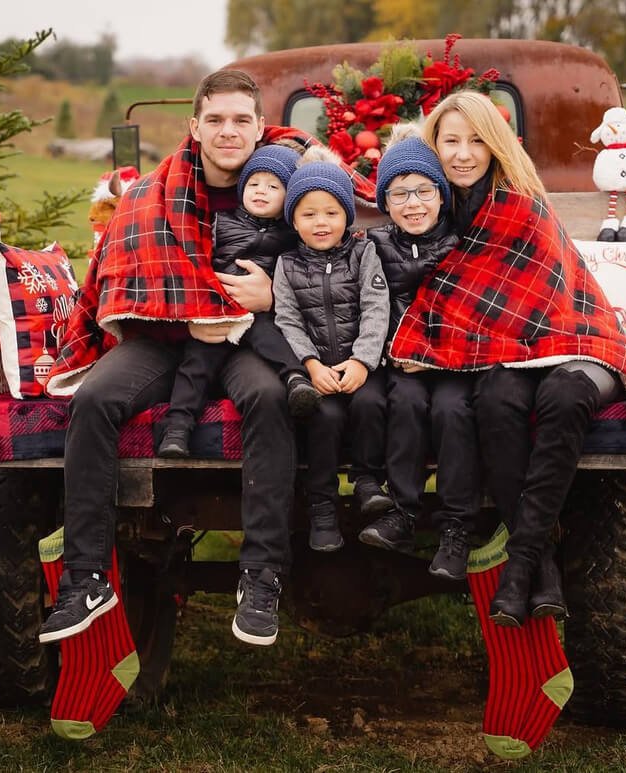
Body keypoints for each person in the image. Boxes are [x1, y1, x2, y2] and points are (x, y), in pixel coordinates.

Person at [40, 70, 379, 648]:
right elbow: (126, 275)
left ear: (259, 125)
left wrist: (276, 294)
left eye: (241, 120)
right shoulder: (153, 192)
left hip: (252, 336)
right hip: (165, 339)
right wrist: (183, 308)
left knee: (271, 399)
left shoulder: (294, 178)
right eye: (215, 120)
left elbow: (345, 246)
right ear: (194, 126)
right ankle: (86, 578)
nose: (228, 131)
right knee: (96, 399)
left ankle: (262, 574)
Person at [390, 90, 626, 627]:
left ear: (497, 145)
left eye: (477, 140)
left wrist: (450, 348)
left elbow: (551, 294)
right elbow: (457, 302)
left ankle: (523, 562)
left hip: (578, 338)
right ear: (432, 143)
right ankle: (545, 568)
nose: (462, 153)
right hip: (507, 358)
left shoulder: (519, 202)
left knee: (564, 394)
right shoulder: (432, 206)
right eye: (450, 140)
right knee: (496, 400)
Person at [356, 125, 479, 581]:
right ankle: (403, 515)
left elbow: (468, 311)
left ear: (442, 195)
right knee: (404, 402)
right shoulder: (374, 245)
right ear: (384, 204)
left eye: (424, 190)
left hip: (451, 361)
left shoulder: (460, 244)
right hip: (400, 360)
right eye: (400, 193)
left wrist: (437, 353)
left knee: (452, 410)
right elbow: (369, 308)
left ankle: (456, 528)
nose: (413, 203)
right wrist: (391, 353)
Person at [157, 143, 321, 458]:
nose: (261, 191)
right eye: (254, 183)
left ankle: (296, 379)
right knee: (196, 364)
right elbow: (196, 259)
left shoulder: (293, 233)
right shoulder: (221, 222)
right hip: (219, 312)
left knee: (271, 338)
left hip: (259, 313)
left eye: (274, 186)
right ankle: (177, 429)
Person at [273, 147, 390, 551]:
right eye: (308, 215)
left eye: (331, 213)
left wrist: (362, 361)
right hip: (318, 368)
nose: (321, 223)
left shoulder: (363, 253)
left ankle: (366, 479)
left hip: (361, 366)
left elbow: (377, 308)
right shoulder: (286, 265)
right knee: (322, 419)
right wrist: (310, 365)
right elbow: (287, 319)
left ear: (346, 216)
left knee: (370, 405)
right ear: (294, 220)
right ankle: (322, 507)